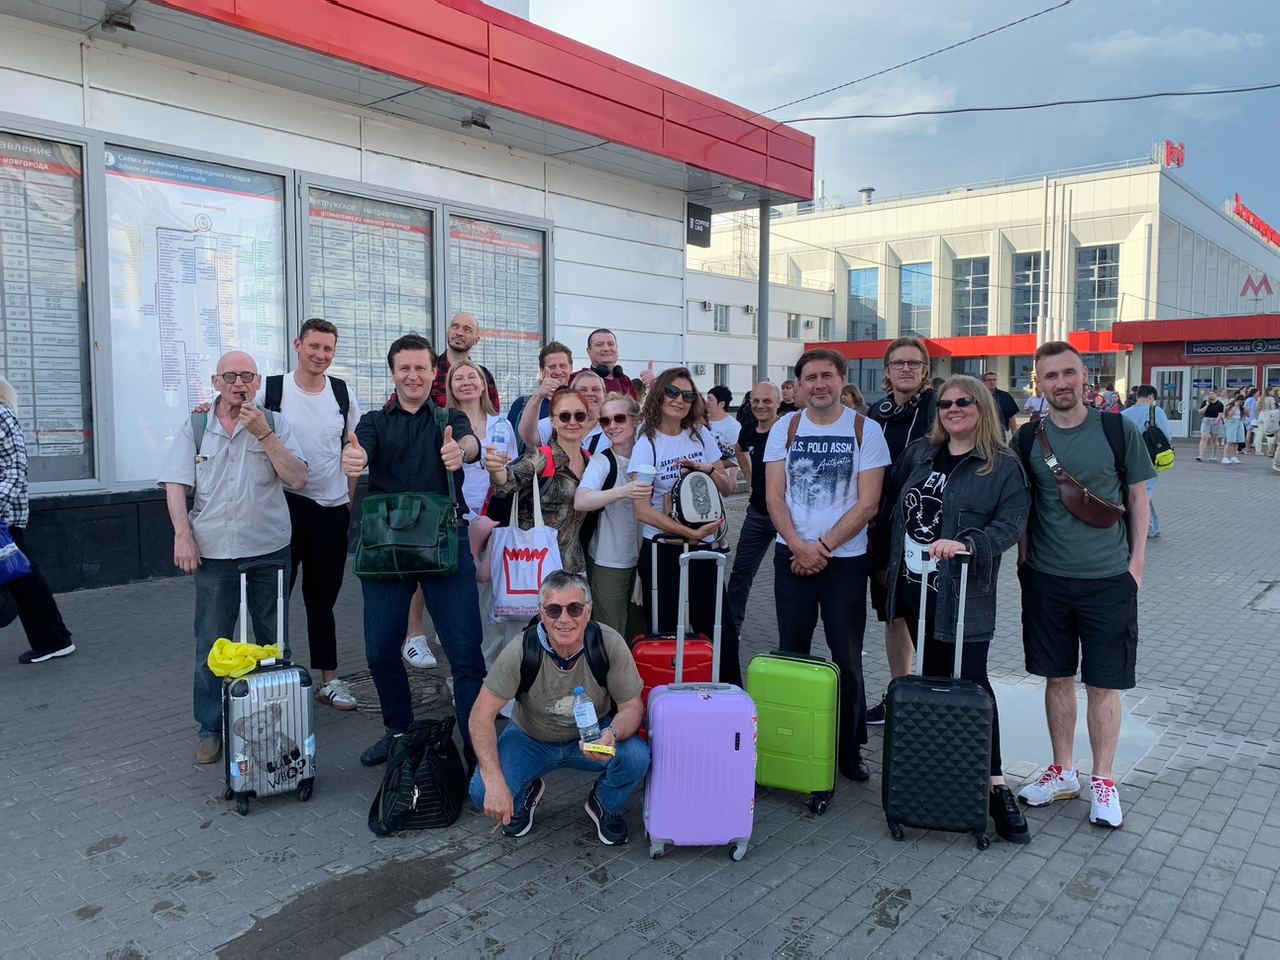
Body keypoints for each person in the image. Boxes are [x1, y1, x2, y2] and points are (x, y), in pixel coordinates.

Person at [873, 375, 1031, 843]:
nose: (954, 409)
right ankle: (941, 775)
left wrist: (968, 543)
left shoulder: (1001, 465)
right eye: (945, 404)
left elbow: (1012, 523)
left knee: (972, 682)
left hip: (962, 595)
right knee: (933, 679)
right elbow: (892, 505)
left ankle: (995, 784)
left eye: (964, 402)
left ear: (982, 407)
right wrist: (883, 562)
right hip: (913, 589)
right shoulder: (920, 453)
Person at [1014, 341, 1154, 829]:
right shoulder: (1027, 438)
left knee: (1103, 683)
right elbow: (1022, 503)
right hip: (1047, 579)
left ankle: (1104, 779)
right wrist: (1024, 561)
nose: (1061, 383)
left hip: (1108, 580)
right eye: (1050, 376)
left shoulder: (1116, 429)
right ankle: (1063, 771)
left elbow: (1138, 497)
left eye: (1068, 372)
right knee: (1056, 678)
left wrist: (1136, 564)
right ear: (1039, 383)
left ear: (1084, 376)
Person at [340, 334, 487, 769]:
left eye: (421, 367)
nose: (413, 375)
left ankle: (477, 746)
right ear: (393, 373)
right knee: (379, 651)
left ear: (433, 372)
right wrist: (353, 458)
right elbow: (358, 450)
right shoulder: (373, 421)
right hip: (386, 548)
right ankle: (399, 729)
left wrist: (461, 451)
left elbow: (471, 444)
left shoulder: (449, 418)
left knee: (466, 653)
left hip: (446, 541)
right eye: (404, 368)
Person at [160, 351, 308, 764]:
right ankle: (211, 727)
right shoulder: (196, 426)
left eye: (247, 376)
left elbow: (298, 478)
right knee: (211, 643)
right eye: (230, 376)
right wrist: (182, 536)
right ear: (215, 381)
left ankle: (279, 716)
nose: (238, 383)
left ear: (258, 383)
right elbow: (175, 484)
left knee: (273, 643)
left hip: (268, 549)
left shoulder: (275, 423)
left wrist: (265, 435)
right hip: (213, 552)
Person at [765, 348, 891, 782]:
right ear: (799, 385)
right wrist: (798, 546)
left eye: (827, 376)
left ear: (841, 379)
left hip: (845, 561)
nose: (819, 384)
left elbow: (868, 503)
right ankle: (792, 740)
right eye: (810, 378)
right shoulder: (785, 427)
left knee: (847, 655)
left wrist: (821, 548)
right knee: (792, 652)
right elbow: (773, 497)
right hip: (791, 556)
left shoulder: (865, 429)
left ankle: (849, 746)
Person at [468, 571, 648, 844]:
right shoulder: (521, 650)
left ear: (588, 611)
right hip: (531, 738)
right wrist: (493, 780)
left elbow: (632, 707)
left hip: (592, 735)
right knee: (482, 790)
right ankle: (526, 792)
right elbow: (480, 716)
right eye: (554, 610)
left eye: (574, 608)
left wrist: (611, 733)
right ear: (542, 613)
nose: (564, 619)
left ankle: (605, 803)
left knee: (636, 757)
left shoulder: (608, 643)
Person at [268, 319, 362, 711]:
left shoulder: (341, 392)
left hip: (332, 511)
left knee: (322, 601)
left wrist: (347, 501)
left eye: (328, 349)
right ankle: (274, 677)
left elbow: (353, 450)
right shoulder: (273, 390)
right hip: (285, 507)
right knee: (275, 600)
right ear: (297, 345)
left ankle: (329, 680)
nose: (320, 355)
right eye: (314, 346)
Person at [630, 368, 741, 685]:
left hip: (703, 548)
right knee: (665, 634)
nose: (680, 400)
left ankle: (727, 698)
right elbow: (642, 510)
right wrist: (688, 533)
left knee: (719, 629)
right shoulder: (647, 442)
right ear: (659, 395)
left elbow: (728, 489)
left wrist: (706, 469)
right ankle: (667, 703)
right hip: (662, 550)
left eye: (688, 395)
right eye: (673, 392)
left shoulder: (701, 434)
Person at [866, 336, 936, 726]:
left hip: (927, 527)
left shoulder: (941, 408)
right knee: (893, 614)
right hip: (881, 528)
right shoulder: (877, 413)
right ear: (887, 370)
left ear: (925, 370)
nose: (906, 369)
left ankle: (934, 695)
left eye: (914, 363)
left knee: (926, 614)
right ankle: (899, 692)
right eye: (898, 363)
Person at [0, 378, 74, 665]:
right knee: (24, 580)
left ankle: (54, 640)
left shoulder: (1, 414)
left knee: (25, 579)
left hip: (5, 518)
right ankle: (54, 640)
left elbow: (15, 468)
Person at [488, 387, 592, 575]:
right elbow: (507, 481)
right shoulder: (541, 457)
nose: (573, 422)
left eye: (579, 415)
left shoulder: (590, 461)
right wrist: (497, 470)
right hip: (535, 565)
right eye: (564, 416)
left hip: (573, 565)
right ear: (552, 421)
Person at [574, 393, 650, 637]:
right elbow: (581, 500)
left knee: (641, 633)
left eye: (619, 418)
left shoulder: (651, 455)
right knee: (611, 634)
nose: (612, 426)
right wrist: (625, 491)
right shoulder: (602, 461)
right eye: (605, 421)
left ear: (637, 419)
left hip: (647, 559)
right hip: (610, 561)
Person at [726, 381, 781, 634]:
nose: (760, 406)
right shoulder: (748, 428)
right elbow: (739, 449)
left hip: (786, 517)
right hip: (757, 514)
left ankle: (791, 636)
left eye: (767, 401)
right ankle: (731, 631)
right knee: (741, 572)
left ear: (778, 403)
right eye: (756, 401)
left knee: (789, 578)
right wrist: (749, 479)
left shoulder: (787, 430)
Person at [1122, 385, 1172, 539]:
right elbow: (1167, 435)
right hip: (1150, 459)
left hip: (1127, 459)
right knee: (1144, 494)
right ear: (1151, 397)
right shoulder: (1156, 411)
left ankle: (1153, 527)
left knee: (1141, 491)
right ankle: (1138, 527)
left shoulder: (1124, 414)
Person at [526, 370, 610, 454]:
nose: (590, 394)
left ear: (604, 395)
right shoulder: (557, 420)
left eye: (596, 389)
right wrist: (539, 395)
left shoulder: (612, 426)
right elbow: (528, 436)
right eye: (583, 390)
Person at [430, 311, 500, 412]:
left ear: (476, 340)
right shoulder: (429, 369)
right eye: (455, 327)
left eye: (467, 330)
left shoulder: (483, 375)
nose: (459, 333)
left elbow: (492, 415)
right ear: (448, 332)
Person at [512, 341, 574, 454]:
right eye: (552, 367)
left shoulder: (579, 405)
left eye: (563, 366)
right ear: (542, 371)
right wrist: (539, 394)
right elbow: (509, 444)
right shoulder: (522, 404)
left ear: (571, 368)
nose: (558, 371)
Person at [575, 328, 656, 400]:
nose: (606, 348)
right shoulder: (575, 379)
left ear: (617, 348)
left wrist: (655, 386)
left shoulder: (625, 381)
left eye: (611, 344)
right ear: (588, 351)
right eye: (599, 344)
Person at [705, 385, 742, 486]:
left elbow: (736, 458)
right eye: (707, 398)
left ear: (721, 404)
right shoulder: (701, 421)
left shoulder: (733, 426)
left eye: (710, 399)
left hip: (719, 478)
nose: (706, 402)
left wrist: (733, 476)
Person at [982, 371, 1020, 438]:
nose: (992, 382)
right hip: (983, 433)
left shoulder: (1005, 396)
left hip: (1001, 433)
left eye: (994, 380)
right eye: (989, 380)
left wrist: (1015, 436)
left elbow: (1011, 417)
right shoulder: (979, 396)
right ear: (983, 382)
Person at [1197, 391, 1223, 462]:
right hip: (1206, 420)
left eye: (1213, 394)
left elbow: (1220, 414)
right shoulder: (1205, 402)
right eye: (1209, 394)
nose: (1211, 395)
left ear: (1216, 395)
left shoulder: (1220, 404)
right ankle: (1201, 455)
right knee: (1204, 438)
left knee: (1214, 439)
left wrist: (1216, 421)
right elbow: (1200, 411)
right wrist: (1207, 405)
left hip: (1215, 420)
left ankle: (1214, 456)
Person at [1221, 395, 1246, 465]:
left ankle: (1233, 457)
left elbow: (1247, 414)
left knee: (1236, 441)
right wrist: (1235, 406)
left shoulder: (1241, 408)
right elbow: (1230, 414)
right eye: (1240, 401)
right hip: (1232, 423)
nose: (1241, 403)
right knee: (1230, 441)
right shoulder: (1230, 406)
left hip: (1239, 422)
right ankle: (1225, 457)